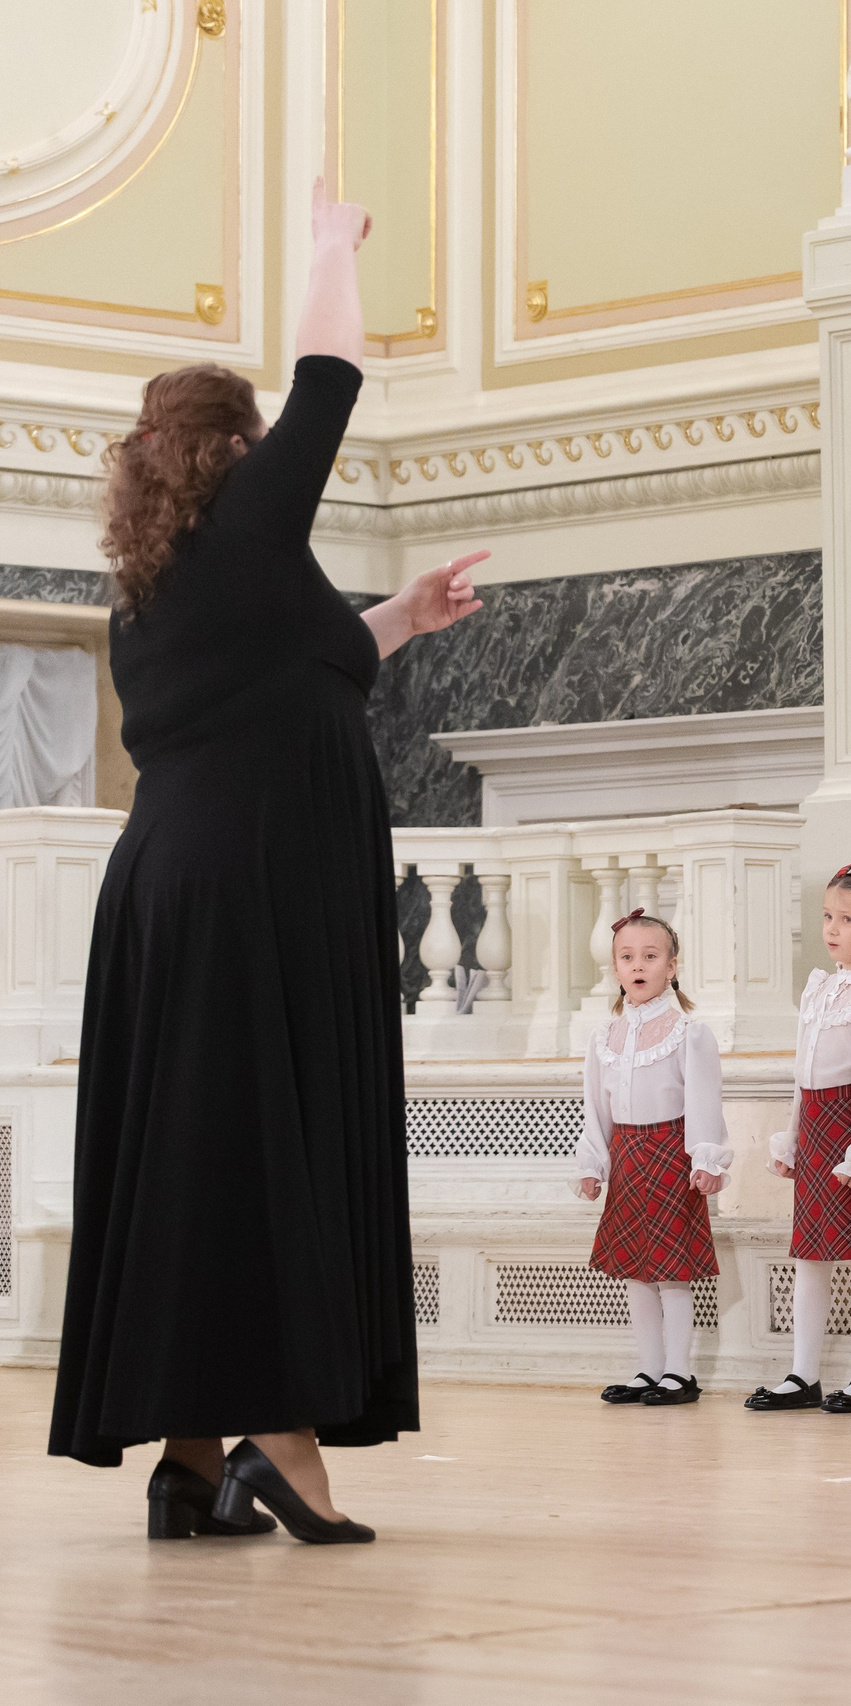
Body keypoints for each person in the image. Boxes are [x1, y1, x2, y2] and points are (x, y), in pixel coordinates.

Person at [53, 180, 484, 1546]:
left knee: (200, 1153)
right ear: (231, 451)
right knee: (263, 1146)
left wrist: (400, 617)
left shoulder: (160, 588)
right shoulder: (248, 528)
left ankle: (190, 1452)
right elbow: (331, 375)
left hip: (177, 888)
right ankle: (283, 1444)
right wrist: (329, 247)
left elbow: (302, 671)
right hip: (249, 890)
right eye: (251, 442)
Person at [745, 870, 851, 1417]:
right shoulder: (819, 987)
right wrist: (793, 1137)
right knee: (810, 1257)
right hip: (816, 1126)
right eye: (827, 917)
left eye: (847, 919)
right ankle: (804, 1374)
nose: (832, 929)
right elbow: (802, 1073)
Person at [577, 913, 731, 1410]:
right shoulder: (604, 1037)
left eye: (650, 956)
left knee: (670, 1271)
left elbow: (705, 1101)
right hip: (626, 1155)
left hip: (670, 1154)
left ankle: (678, 1373)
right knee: (636, 1271)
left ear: (671, 966)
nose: (638, 965)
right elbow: (596, 1109)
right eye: (628, 957)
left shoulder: (689, 1033)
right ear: (616, 969)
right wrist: (592, 1165)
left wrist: (707, 1157)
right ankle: (648, 1368)